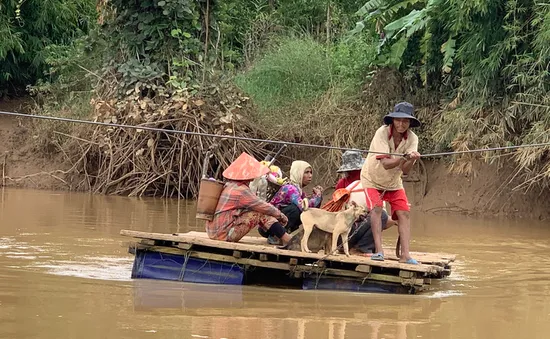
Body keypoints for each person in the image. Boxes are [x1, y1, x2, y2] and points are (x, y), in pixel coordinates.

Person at [361, 101, 421, 264]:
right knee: (377, 208)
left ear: (410, 123)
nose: (401, 124)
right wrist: (403, 158)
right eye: (398, 120)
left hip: (394, 181)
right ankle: (379, 251)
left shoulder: (413, 139)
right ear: (393, 120)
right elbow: (386, 164)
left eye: (406, 121)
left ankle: (406, 255)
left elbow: (406, 171)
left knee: (404, 213)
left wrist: (413, 159)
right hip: (371, 178)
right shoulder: (381, 133)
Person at [205, 152, 291, 245]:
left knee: (257, 212)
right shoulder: (241, 191)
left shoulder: (229, 185)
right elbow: (263, 206)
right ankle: (286, 238)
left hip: (213, 232)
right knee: (259, 213)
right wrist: (281, 216)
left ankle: (282, 236)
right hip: (223, 235)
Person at [259, 161, 323, 243]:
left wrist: (318, 197)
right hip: (267, 226)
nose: (310, 175)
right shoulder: (290, 188)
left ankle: (282, 235)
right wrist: (317, 196)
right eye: (306, 172)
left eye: (311, 172)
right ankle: (276, 236)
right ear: (298, 173)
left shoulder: (299, 191)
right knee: (295, 210)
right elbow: (304, 207)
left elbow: (310, 209)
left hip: (274, 223)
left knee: (305, 213)